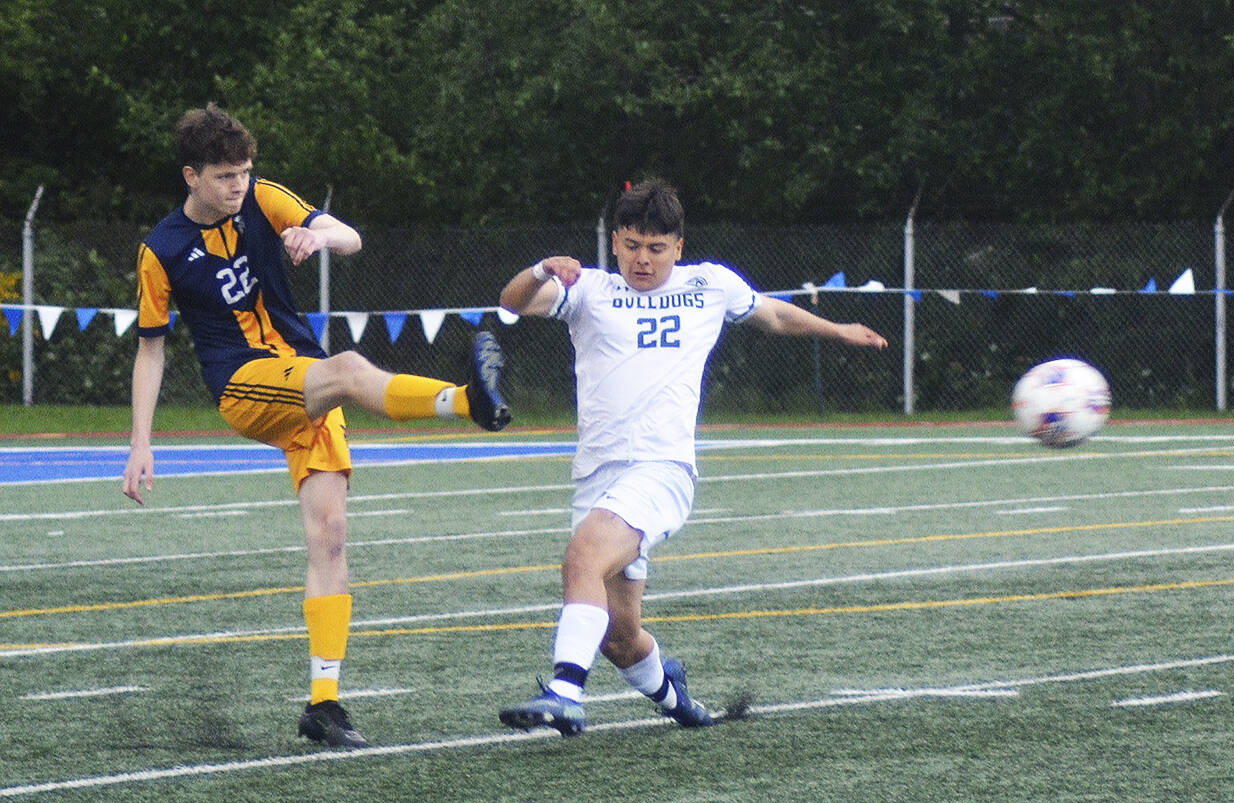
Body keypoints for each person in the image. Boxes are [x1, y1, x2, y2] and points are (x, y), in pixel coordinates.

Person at [121, 103, 510, 749]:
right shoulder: (160, 249)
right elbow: (150, 349)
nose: (238, 185)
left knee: (329, 538)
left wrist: (318, 237)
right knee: (350, 368)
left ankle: (323, 704)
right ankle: (469, 401)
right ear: (191, 176)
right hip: (244, 385)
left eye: (244, 172)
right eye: (224, 176)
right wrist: (141, 443)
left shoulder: (263, 198)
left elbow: (349, 236)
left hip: (305, 383)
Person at [496, 178, 888, 736]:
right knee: (619, 636)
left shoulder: (710, 284)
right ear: (616, 243)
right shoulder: (590, 290)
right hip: (597, 473)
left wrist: (839, 330)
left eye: (657, 248)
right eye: (632, 245)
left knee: (583, 555)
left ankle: (565, 692)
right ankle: (673, 696)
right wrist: (541, 270)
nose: (643, 259)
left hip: (662, 469)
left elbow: (774, 316)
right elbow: (511, 303)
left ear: (678, 247)